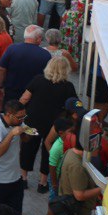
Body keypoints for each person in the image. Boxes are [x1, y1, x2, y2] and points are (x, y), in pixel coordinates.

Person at [19, 54, 77, 192]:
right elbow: (73, 106)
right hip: (53, 124)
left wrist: (19, 114)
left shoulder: (38, 80)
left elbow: (25, 98)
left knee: (27, 148)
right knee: (48, 150)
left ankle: (23, 178)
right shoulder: (68, 87)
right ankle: (43, 182)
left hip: (32, 120)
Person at [0, 99, 29, 215]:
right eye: (20, 117)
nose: (22, 119)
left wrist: (25, 131)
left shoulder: (18, 122)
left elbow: (26, 139)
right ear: (9, 115)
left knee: (16, 214)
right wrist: (11, 134)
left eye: (24, 116)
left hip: (15, 178)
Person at [0, 25, 51, 108]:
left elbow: (1, 69)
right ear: (39, 38)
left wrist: (0, 86)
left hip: (12, 91)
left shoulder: (12, 49)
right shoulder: (45, 55)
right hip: (34, 95)